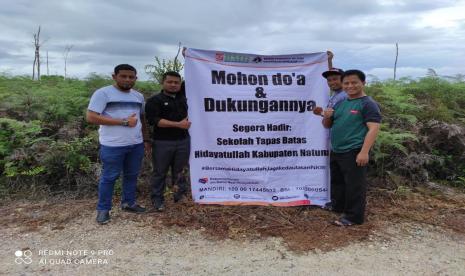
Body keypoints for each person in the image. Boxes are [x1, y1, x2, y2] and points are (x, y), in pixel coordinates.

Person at [86, 64, 150, 225]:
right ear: (114, 76)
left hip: (136, 144)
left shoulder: (138, 96)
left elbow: (142, 120)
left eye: (131, 77)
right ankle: (103, 210)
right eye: (123, 76)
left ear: (136, 78)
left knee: (131, 175)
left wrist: (146, 140)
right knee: (109, 177)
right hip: (112, 145)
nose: (128, 79)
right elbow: (91, 117)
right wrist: (123, 122)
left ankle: (128, 203)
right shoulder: (103, 93)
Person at [322, 69, 381, 226]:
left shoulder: (368, 104)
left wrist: (364, 152)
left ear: (363, 83)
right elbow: (328, 125)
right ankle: (337, 206)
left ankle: (353, 217)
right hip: (337, 149)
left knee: (355, 185)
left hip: (354, 150)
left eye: (354, 82)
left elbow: (373, 128)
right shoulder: (341, 102)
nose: (350, 86)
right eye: (346, 83)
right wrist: (326, 116)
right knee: (337, 181)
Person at [145, 71, 191, 211]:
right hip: (162, 142)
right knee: (160, 172)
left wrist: (188, 57)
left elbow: (195, 74)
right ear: (163, 82)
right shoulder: (154, 100)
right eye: (169, 82)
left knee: (180, 171)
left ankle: (180, 197)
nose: (173, 85)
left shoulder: (183, 97)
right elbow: (155, 121)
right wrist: (178, 124)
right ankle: (157, 199)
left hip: (183, 141)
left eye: (176, 82)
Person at [313, 51, 347, 116]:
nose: (332, 82)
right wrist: (329, 60)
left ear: (344, 80)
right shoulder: (336, 93)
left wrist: (321, 113)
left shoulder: (346, 95)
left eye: (335, 79)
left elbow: (341, 116)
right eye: (329, 80)